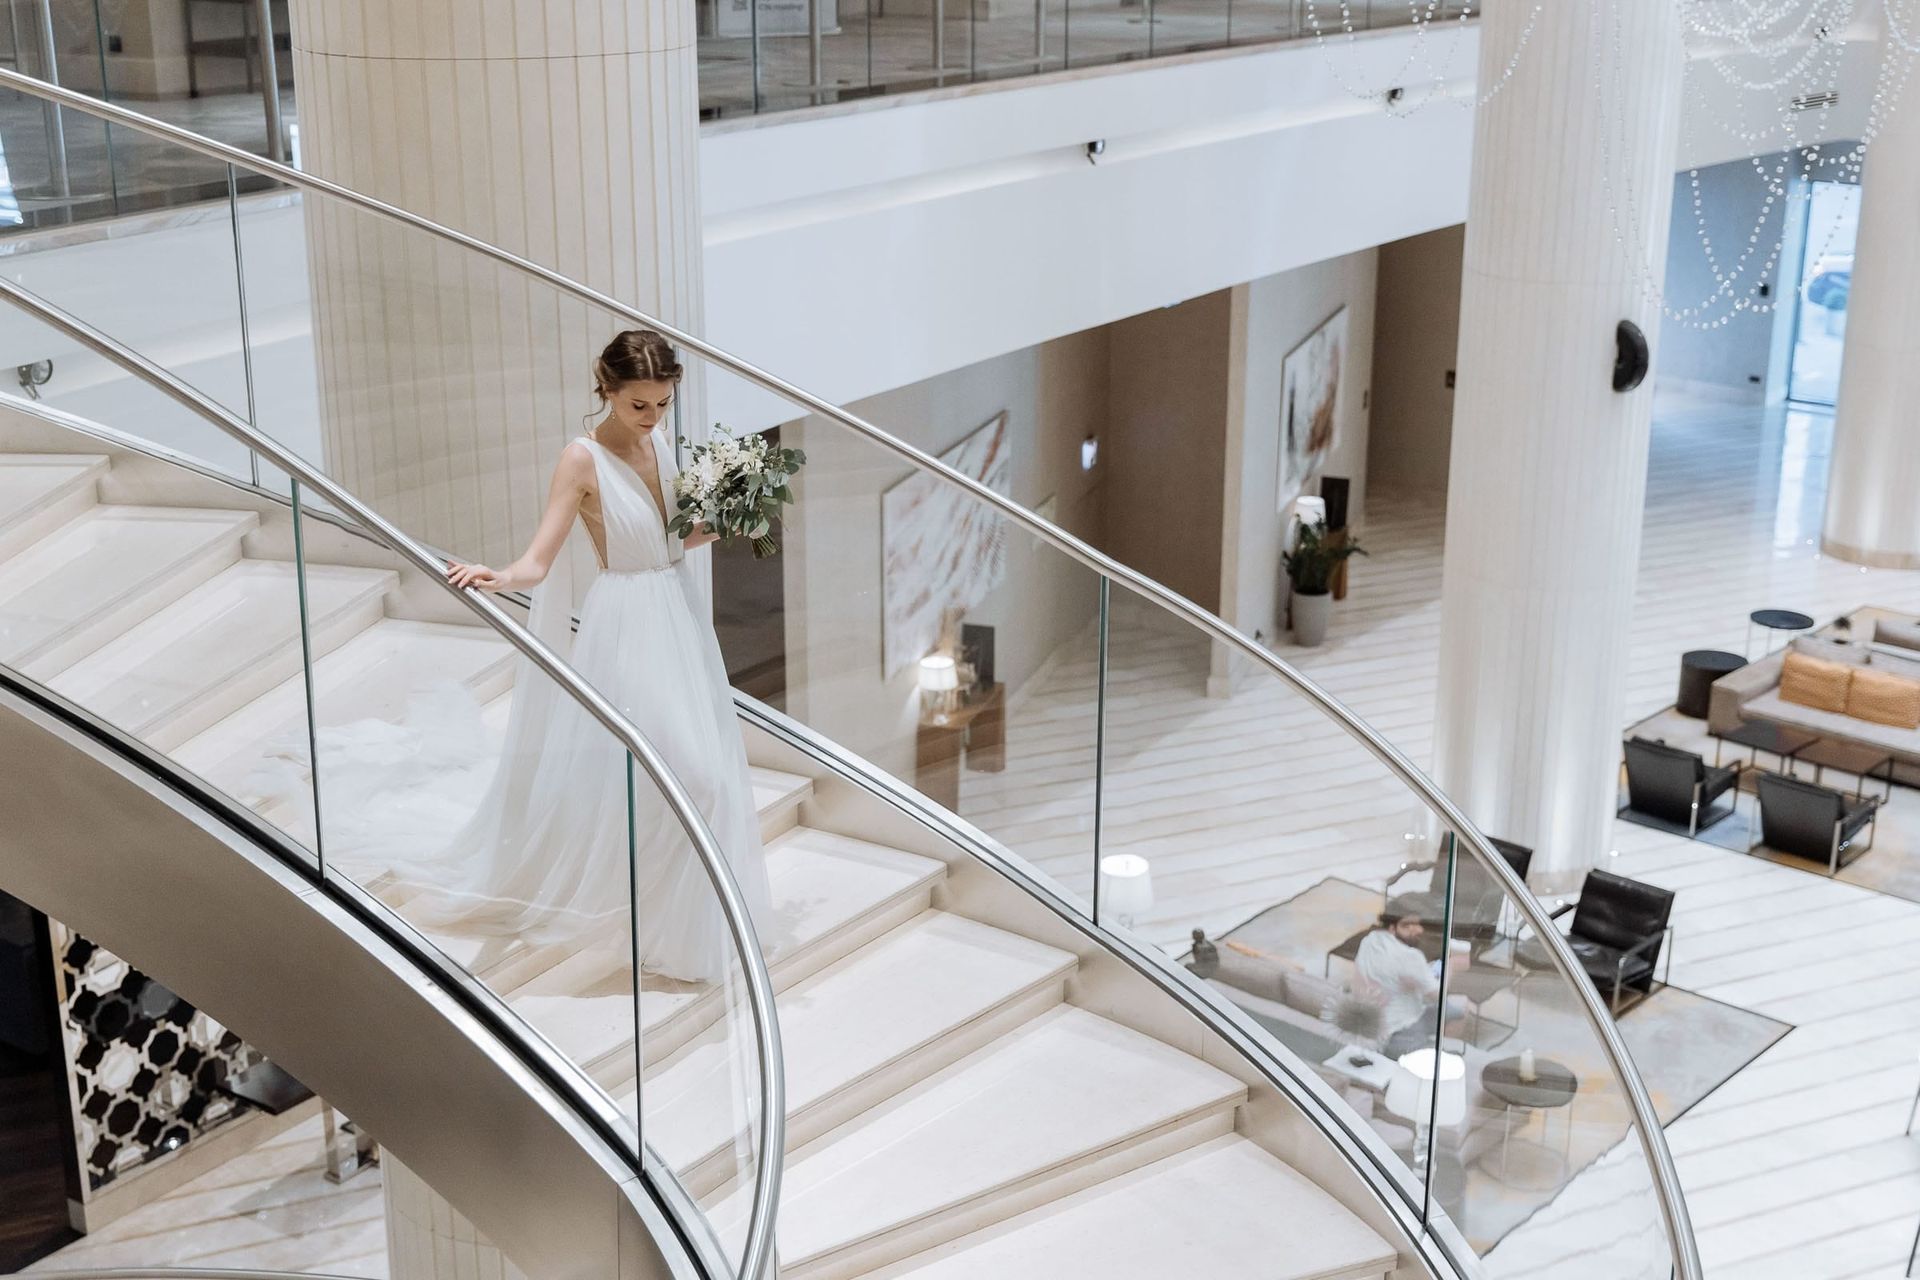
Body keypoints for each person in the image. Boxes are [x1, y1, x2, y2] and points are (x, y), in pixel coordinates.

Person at [332, 329, 773, 984]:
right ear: (607, 392)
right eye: (639, 406)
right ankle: (665, 930)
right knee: (696, 778)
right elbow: (540, 561)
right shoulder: (580, 460)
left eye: (662, 404)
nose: (652, 419)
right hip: (626, 627)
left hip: (679, 616)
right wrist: (496, 575)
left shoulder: (658, 444)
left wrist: (734, 512)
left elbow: (676, 538)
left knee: (699, 773)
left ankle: (677, 929)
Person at [1354, 907, 1473, 1058]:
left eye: (1417, 924)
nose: (1416, 930)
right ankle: (1435, 1053)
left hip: (1372, 1027)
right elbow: (1438, 996)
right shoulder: (1410, 957)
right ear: (1392, 928)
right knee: (1463, 1005)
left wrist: (1425, 971)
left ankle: (1430, 1048)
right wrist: (1451, 966)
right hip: (1399, 1035)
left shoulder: (1370, 940)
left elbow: (1396, 975)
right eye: (1406, 926)